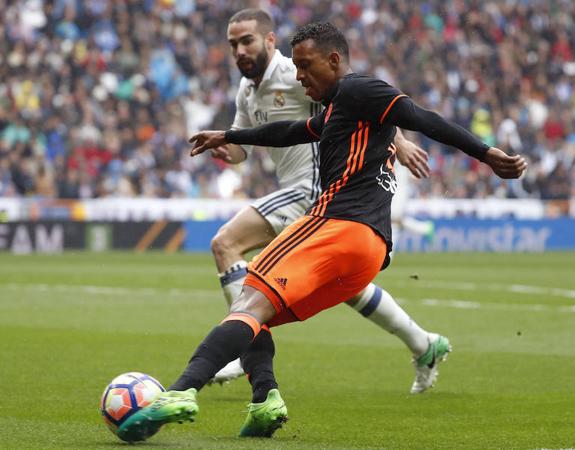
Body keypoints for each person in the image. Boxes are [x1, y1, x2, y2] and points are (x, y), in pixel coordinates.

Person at [117, 22, 527, 442]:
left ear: (334, 60)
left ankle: (181, 392)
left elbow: (420, 117)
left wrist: (486, 153)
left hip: (336, 223)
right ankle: (265, 401)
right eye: (295, 67)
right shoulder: (338, 110)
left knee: (247, 297)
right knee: (261, 316)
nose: (298, 76)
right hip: (369, 252)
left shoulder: (356, 90)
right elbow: (290, 131)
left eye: (305, 65)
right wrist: (230, 134)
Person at [209, 8, 448, 395]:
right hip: (304, 195)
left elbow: (360, 103)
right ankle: (424, 344)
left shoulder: (295, 73)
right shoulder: (246, 90)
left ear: (269, 40)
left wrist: (398, 140)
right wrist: (227, 151)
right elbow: (242, 152)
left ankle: (241, 338)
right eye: (233, 43)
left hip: (316, 188)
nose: (239, 50)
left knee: (225, 243)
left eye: (247, 40)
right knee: (347, 287)